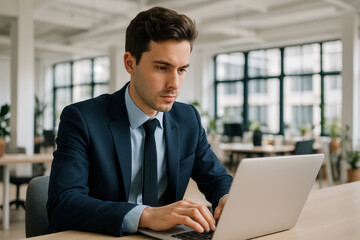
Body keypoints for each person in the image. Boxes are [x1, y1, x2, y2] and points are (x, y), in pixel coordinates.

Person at [47, 6, 233, 237]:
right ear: (130, 64)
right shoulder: (82, 119)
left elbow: (216, 178)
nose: (175, 83)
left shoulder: (188, 119)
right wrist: (146, 215)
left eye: (182, 69)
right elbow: (63, 204)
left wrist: (226, 198)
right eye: (162, 68)